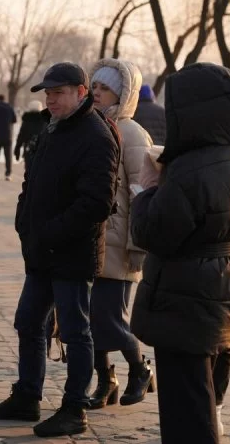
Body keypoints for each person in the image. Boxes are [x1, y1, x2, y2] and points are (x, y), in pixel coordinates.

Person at [129, 63, 230, 444]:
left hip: (185, 289)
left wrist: (147, 191)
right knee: (203, 388)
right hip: (228, 279)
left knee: (186, 402)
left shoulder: (190, 169)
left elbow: (152, 232)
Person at [0, 62, 121, 438]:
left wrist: (50, 233)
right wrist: (24, 223)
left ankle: (74, 408)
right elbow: (31, 181)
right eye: (48, 93)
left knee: (75, 332)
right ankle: (27, 396)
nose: (50, 100)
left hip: (72, 254)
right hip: (42, 251)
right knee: (28, 322)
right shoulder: (52, 127)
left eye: (58, 93)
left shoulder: (96, 135)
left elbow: (96, 203)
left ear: (81, 92)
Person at [86, 58, 155, 410]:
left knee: (111, 319)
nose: (97, 93)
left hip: (118, 246)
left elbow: (143, 193)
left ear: (123, 94)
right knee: (88, 321)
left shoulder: (132, 133)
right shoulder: (88, 126)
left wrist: (138, 245)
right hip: (88, 241)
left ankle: (140, 369)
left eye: (105, 88)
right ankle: (105, 381)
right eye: (94, 86)